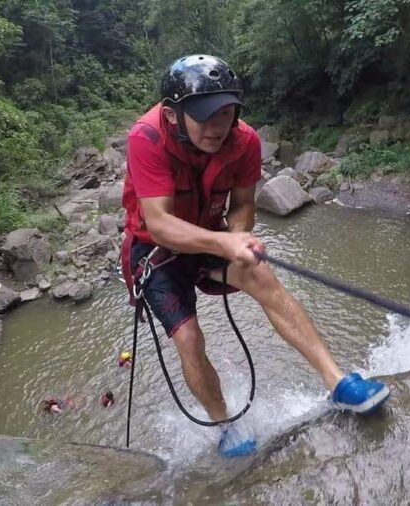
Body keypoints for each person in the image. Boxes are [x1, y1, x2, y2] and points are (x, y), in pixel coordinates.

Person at [120, 54, 390, 457]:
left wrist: (239, 235)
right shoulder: (147, 138)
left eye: (226, 112)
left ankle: (338, 382)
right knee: (189, 337)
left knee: (265, 281)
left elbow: (243, 203)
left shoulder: (244, 140)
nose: (217, 126)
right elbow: (158, 222)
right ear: (174, 115)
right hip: (157, 250)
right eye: (204, 115)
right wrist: (225, 243)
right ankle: (224, 423)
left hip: (214, 233)